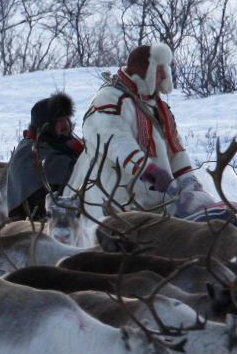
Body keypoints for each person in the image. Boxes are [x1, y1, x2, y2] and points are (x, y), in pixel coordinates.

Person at [67, 42, 214, 245]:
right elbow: (112, 138)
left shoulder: (157, 106)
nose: (165, 75)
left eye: (166, 69)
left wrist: (190, 185)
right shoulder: (109, 98)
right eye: (160, 69)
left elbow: (175, 149)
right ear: (147, 69)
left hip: (154, 199)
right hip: (113, 198)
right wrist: (148, 169)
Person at [2, 92, 84, 220]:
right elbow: (76, 171)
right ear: (46, 124)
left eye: (66, 119)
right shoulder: (32, 151)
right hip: (38, 222)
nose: (65, 125)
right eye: (59, 121)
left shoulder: (59, 143)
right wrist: (82, 155)